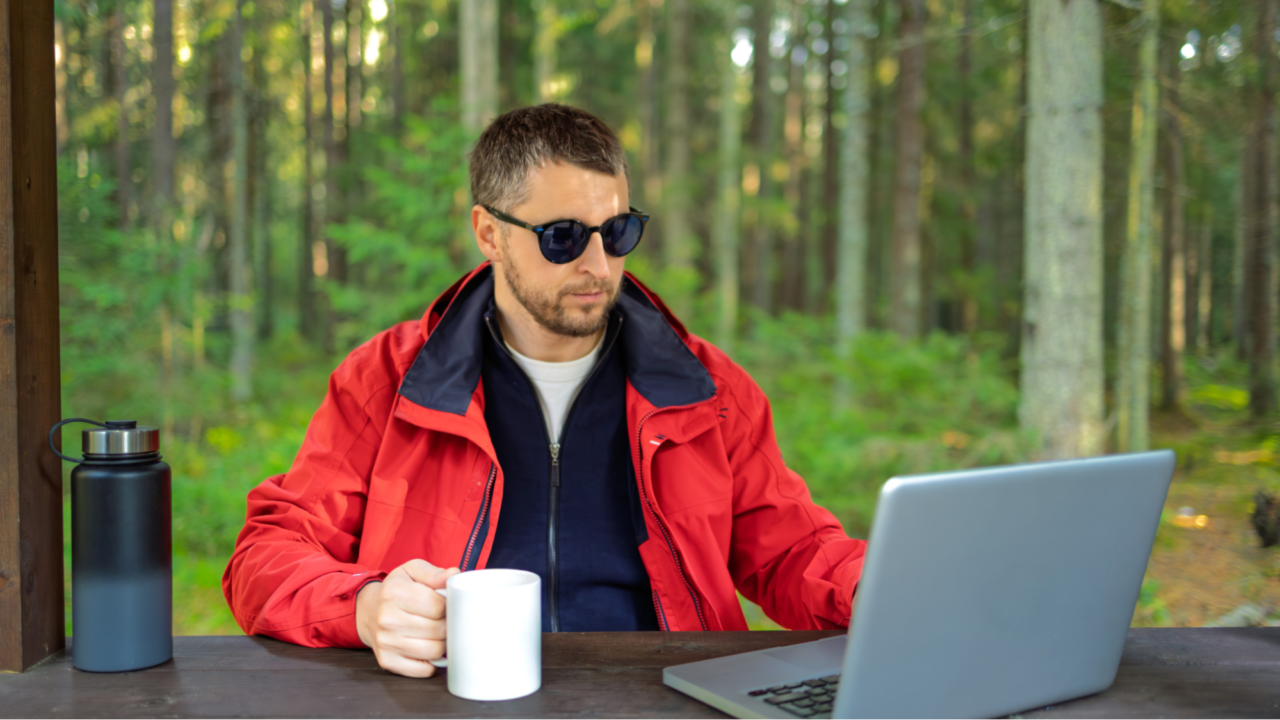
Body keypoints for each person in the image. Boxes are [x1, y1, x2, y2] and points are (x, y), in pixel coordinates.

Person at [222, 104, 866, 678]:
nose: (597, 265)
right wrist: (363, 608)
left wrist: (883, 587)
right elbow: (266, 555)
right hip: (452, 698)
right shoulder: (385, 380)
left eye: (616, 233)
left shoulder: (709, 389)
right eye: (562, 237)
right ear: (489, 233)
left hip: (669, 697)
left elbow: (794, 552)